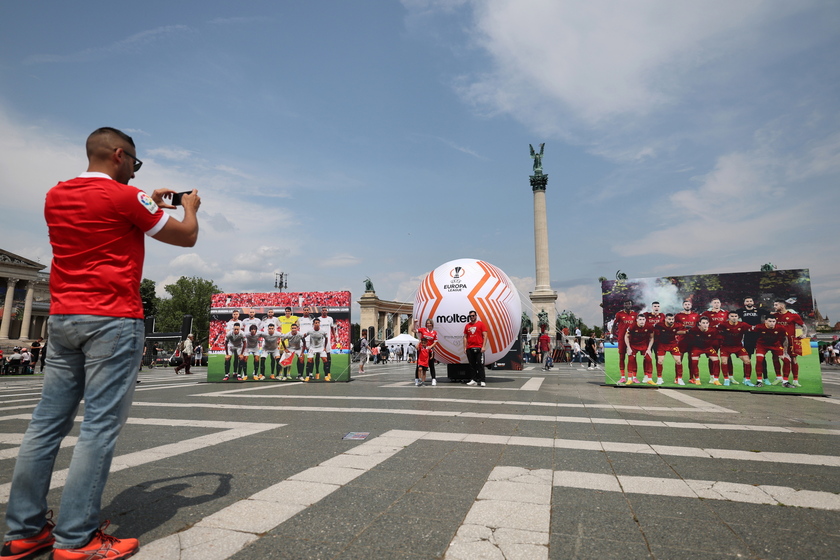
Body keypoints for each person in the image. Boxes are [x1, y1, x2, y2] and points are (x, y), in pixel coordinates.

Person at [2, 127, 199, 560]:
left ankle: (24, 531)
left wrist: (146, 194)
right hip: (111, 318)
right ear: (119, 155)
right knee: (98, 428)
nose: (135, 169)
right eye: (135, 162)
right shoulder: (128, 199)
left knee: (45, 424)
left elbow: (110, 204)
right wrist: (190, 207)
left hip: (63, 319)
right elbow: (186, 236)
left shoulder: (56, 194)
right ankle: (77, 538)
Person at [772, 299, 805, 387]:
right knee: (775, 358)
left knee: (793, 360)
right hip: (777, 341)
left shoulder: (793, 315)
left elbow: (803, 325)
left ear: (782, 306)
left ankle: (795, 380)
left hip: (790, 341)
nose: (774, 307)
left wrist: (804, 334)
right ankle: (779, 377)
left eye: (776, 305)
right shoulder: (774, 316)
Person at [715, 312, 751, 386]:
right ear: (729, 317)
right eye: (732, 316)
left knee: (747, 361)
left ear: (738, 317)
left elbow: (753, 328)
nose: (734, 317)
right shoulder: (723, 324)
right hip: (725, 346)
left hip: (738, 346)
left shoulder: (743, 324)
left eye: (735, 316)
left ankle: (747, 380)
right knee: (724, 362)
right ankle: (726, 379)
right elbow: (714, 329)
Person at [751, 316, 788, 387]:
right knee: (759, 360)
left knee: (786, 360)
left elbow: (785, 338)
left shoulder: (780, 328)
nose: (772, 323)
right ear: (765, 321)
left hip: (775, 345)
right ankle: (759, 381)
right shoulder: (759, 327)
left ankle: (785, 381)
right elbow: (749, 331)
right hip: (762, 345)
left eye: (773, 321)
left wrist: (785, 351)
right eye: (770, 321)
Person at [687, 317, 721, 385]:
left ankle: (716, 379)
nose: (705, 325)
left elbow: (718, 337)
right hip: (697, 348)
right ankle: (697, 379)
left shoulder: (713, 330)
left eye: (706, 323)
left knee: (716, 361)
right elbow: (687, 336)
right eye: (703, 323)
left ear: (709, 324)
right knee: (694, 361)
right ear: (699, 324)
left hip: (708, 347)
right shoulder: (694, 330)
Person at [623, 315, 654, 384]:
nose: (642, 321)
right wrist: (628, 347)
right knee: (631, 360)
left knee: (649, 359)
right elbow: (626, 336)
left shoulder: (649, 326)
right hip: (633, 345)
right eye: (640, 319)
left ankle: (649, 379)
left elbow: (651, 338)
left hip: (644, 345)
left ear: (645, 320)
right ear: (637, 320)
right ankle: (630, 379)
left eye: (643, 319)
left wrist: (649, 349)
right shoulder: (632, 326)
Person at [612, 300, 638, 380]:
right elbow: (614, 325)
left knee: (633, 357)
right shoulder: (619, 314)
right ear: (624, 305)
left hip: (632, 339)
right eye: (626, 304)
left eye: (629, 304)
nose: (628, 305)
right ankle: (622, 377)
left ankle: (634, 377)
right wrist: (612, 335)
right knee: (622, 357)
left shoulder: (635, 314)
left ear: (631, 305)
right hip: (622, 338)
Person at [654, 314, 683, 385]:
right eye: (669, 319)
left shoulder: (677, 325)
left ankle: (679, 379)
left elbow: (681, 331)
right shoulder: (659, 325)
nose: (671, 321)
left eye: (672, 319)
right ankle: (659, 378)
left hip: (673, 344)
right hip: (662, 344)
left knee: (678, 361)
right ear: (665, 319)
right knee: (660, 361)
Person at [463, 310, 488, 387]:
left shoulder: (481, 324)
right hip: (470, 348)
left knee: (480, 365)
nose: (472, 317)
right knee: (472, 365)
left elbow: (485, 335)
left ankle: (482, 380)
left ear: (476, 316)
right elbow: (465, 337)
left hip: (479, 348)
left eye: (473, 316)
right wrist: (465, 347)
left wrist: (483, 346)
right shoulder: (467, 326)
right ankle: (473, 380)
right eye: (470, 316)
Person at [415, 319, 439, 386]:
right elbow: (414, 330)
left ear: (432, 324)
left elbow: (435, 342)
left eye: (430, 323)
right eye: (427, 323)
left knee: (431, 365)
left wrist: (430, 346)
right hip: (421, 349)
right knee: (419, 365)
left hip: (429, 349)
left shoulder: (434, 332)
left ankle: (433, 379)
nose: (428, 324)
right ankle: (417, 379)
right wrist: (414, 323)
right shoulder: (423, 330)